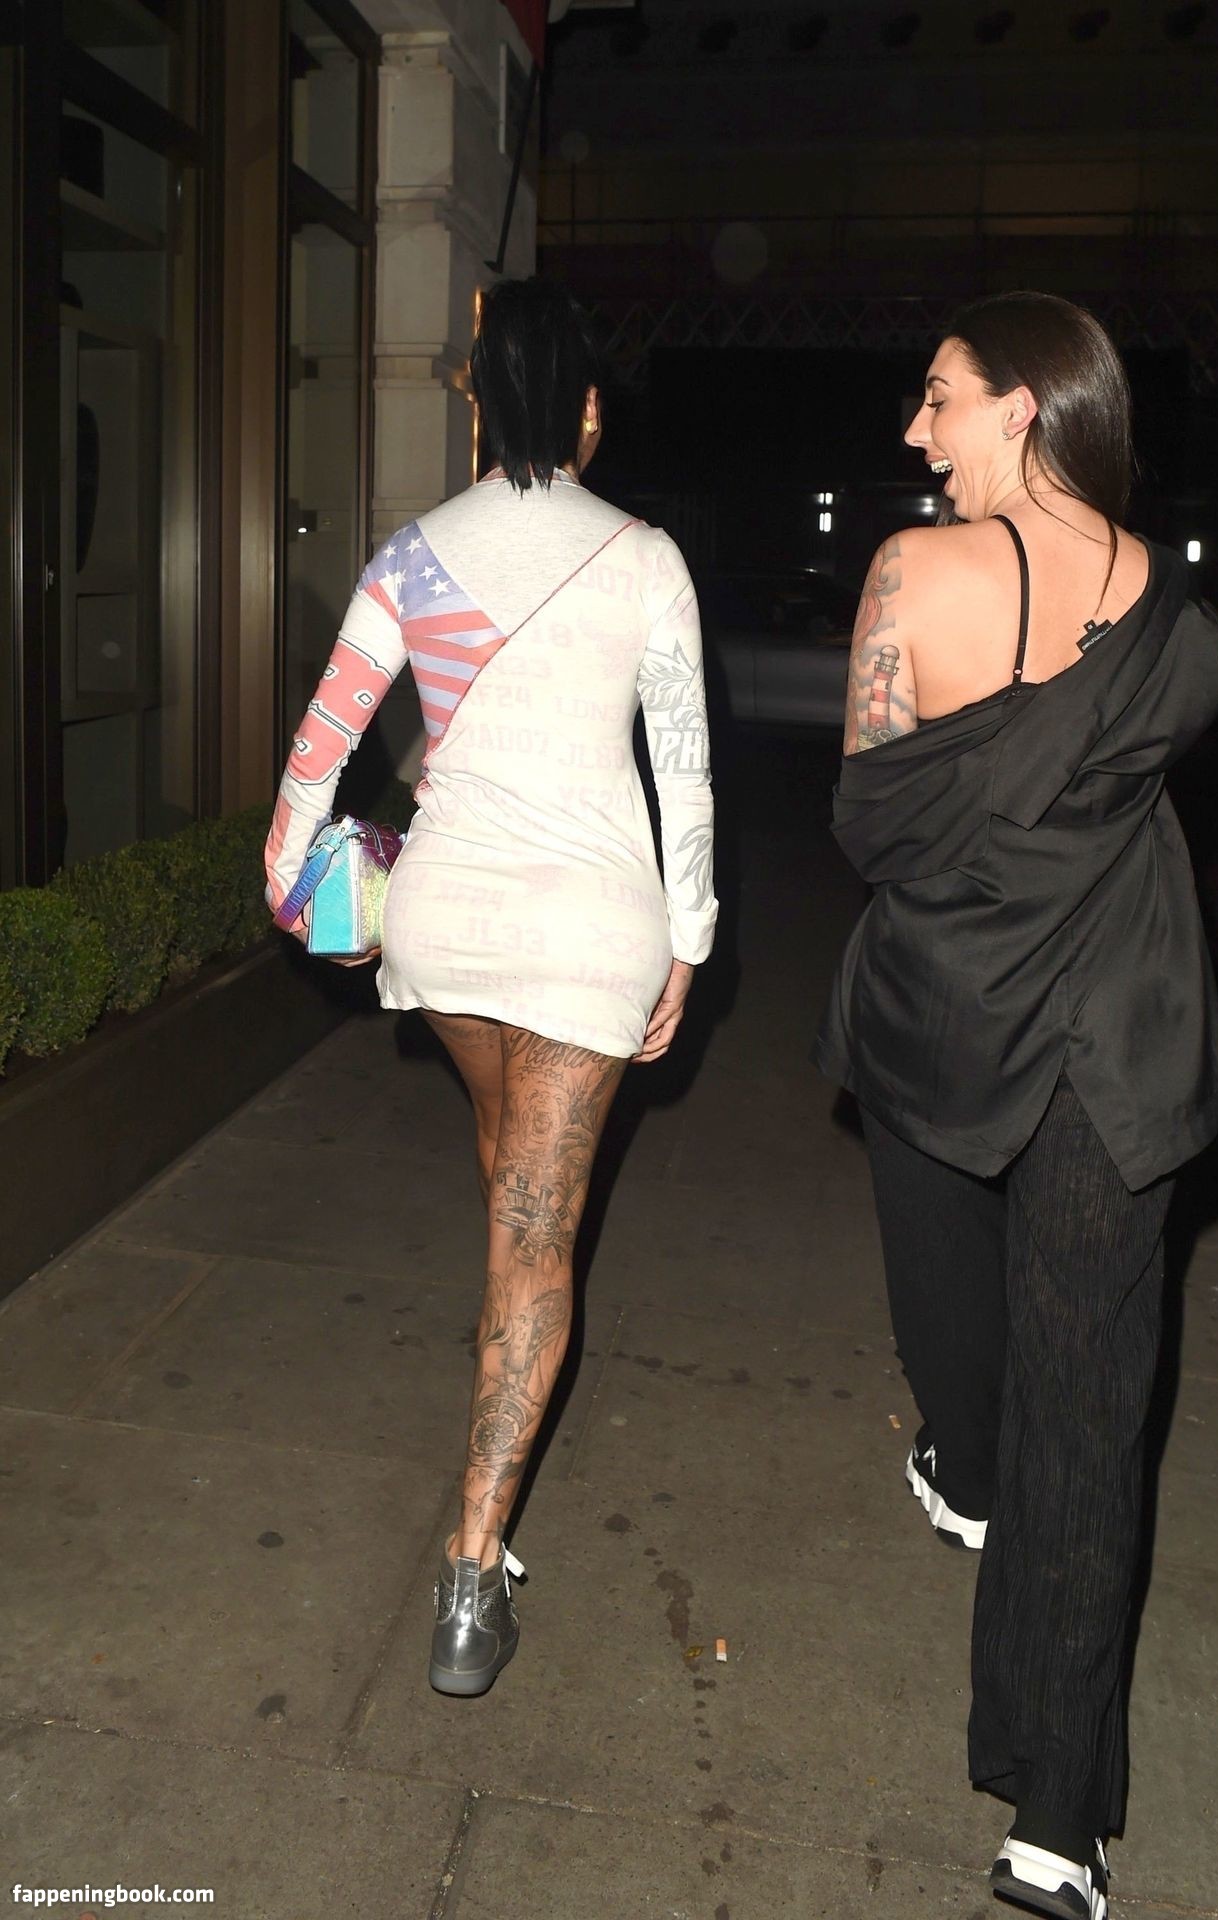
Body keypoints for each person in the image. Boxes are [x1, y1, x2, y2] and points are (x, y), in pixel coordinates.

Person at [814, 291, 1218, 1920]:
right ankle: (1057, 1831)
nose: (914, 431)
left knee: (972, 1376)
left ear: (1020, 406)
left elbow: (870, 820)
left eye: (937, 399)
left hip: (948, 1020)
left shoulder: (913, 576)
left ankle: (973, 1475)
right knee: (1091, 1411)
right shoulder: (1174, 610)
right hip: (1120, 1028)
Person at [265, 276, 717, 1700]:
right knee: (536, 1233)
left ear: (475, 402)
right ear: (586, 409)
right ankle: (471, 1568)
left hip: (447, 926)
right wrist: (690, 938)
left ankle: (502, 1345)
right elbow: (684, 771)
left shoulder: (411, 557)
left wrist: (293, 887)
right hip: (588, 930)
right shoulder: (646, 557)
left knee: (509, 1171)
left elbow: (324, 740)